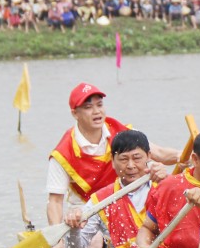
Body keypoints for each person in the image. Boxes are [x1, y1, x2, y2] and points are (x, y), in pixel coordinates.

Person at [46, 82, 176, 225]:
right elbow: (55, 201)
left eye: (99, 105)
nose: (96, 111)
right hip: (87, 212)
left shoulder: (121, 131)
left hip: (124, 201)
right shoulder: (63, 153)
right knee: (94, 239)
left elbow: (161, 154)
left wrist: (192, 156)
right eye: (88, 107)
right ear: (75, 113)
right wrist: (57, 242)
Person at [64, 130, 164, 248]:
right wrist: (73, 228)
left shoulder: (165, 188)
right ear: (112, 161)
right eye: (123, 159)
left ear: (148, 156)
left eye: (137, 158)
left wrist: (169, 181)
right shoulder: (101, 200)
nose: (130, 166)